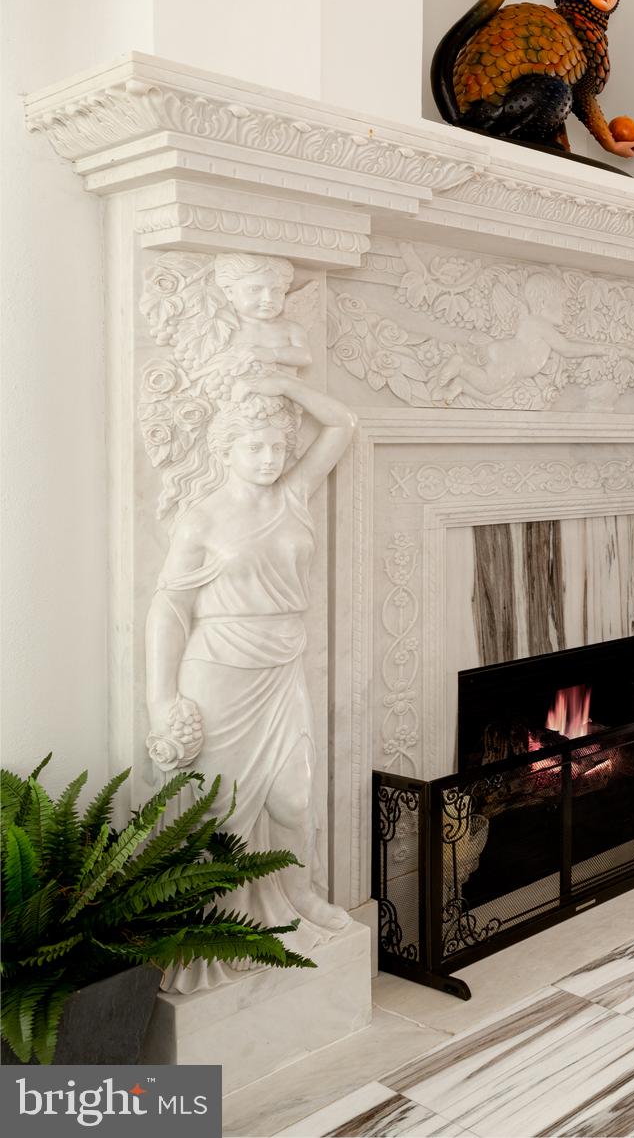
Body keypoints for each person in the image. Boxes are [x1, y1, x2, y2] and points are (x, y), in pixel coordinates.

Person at [144, 372, 357, 990]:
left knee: (294, 798)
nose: (268, 458)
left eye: (276, 447)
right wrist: (161, 700)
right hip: (219, 671)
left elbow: (343, 424)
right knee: (221, 813)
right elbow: (169, 606)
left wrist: (285, 384)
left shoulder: (293, 495)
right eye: (253, 447)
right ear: (226, 449)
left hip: (282, 665)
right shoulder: (201, 519)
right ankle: (219, 927)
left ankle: (298, 895)